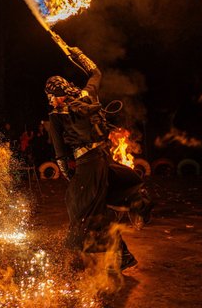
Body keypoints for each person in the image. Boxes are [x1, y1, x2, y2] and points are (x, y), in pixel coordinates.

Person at [44, 46, 151, 273]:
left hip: (89, 166)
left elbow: (60, 154)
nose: (51, 101)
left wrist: (70, 176)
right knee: (99, 208)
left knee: (79, 209)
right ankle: (125, 250)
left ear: (58, 94)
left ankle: (74, 262)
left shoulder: (56, 116)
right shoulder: (87, 95)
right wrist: (78, 54)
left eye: (51, 97)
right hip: (103, 159)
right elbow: (96, 73)